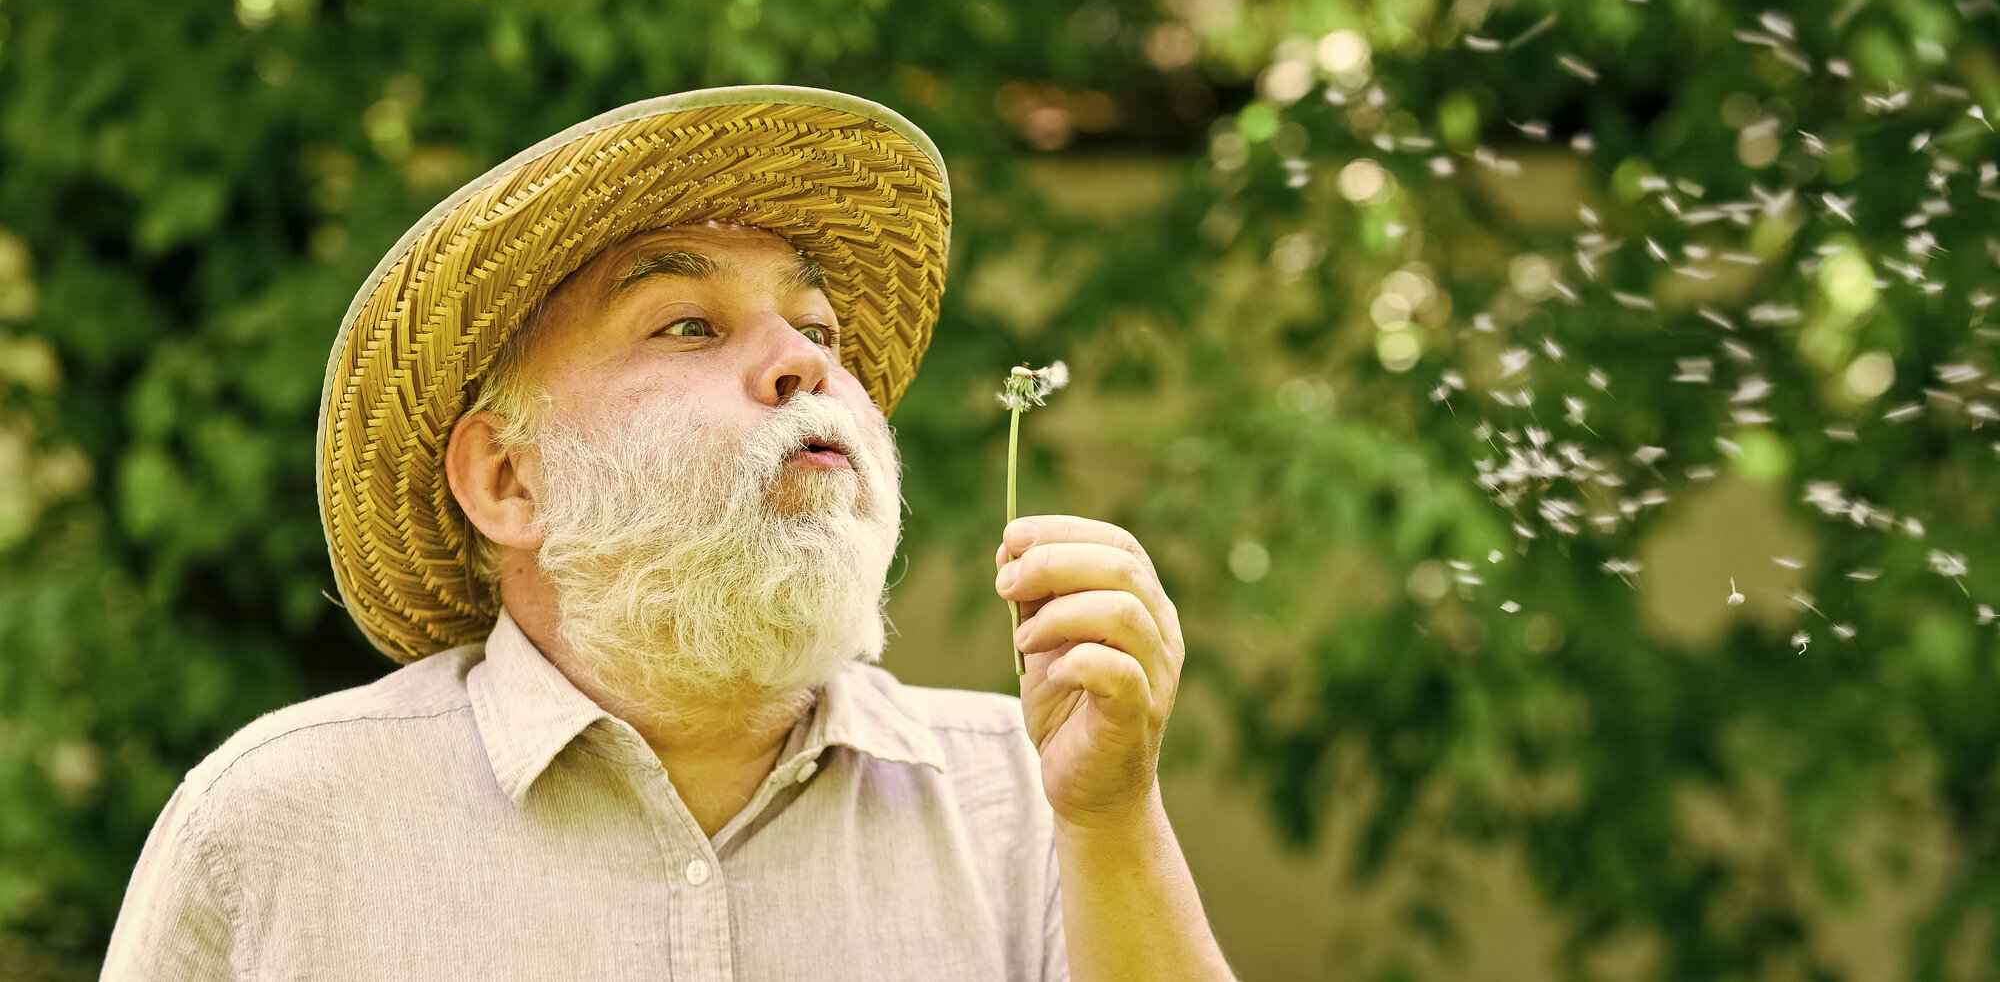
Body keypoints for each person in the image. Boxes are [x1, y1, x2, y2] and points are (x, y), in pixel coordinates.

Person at [102, 87, 1236, 980]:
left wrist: (1112, 816)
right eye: (688, 324)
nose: (807, 363)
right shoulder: (276, 823)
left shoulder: (1038, 794)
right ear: (507, 478)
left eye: (815, 325)